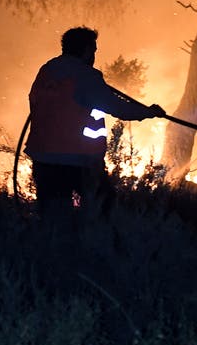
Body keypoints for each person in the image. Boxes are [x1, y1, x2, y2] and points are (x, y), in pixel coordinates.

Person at [25, 26, 165, 215]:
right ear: (86, 49)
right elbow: (117, 107)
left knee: (53, 216)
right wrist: (148, 112)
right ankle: (95, 241)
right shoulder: (86, 76)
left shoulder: (47, 70)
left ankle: (54, 242)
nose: (94, 56)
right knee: (102, 207)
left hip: (43, 158)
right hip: (77, 160)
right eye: (94, 50)